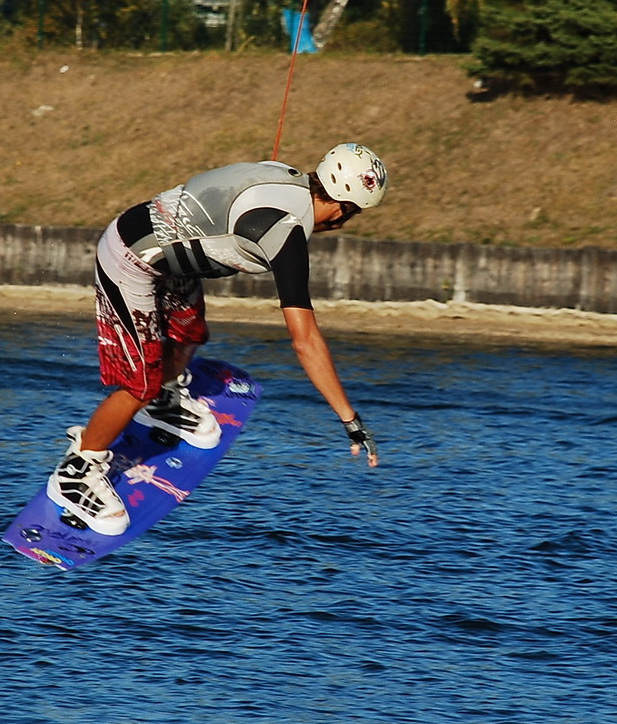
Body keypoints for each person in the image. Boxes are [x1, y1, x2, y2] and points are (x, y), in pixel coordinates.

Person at [48, 142, 389, 535]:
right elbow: (305, 340)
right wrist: (350, 419)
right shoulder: (286, 234)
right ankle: (78, 471)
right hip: (131, 258)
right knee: (140, 381)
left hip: (169, 256)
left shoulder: (285, 175)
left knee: (190, 332)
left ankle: (164, 402)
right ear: (345, 208)